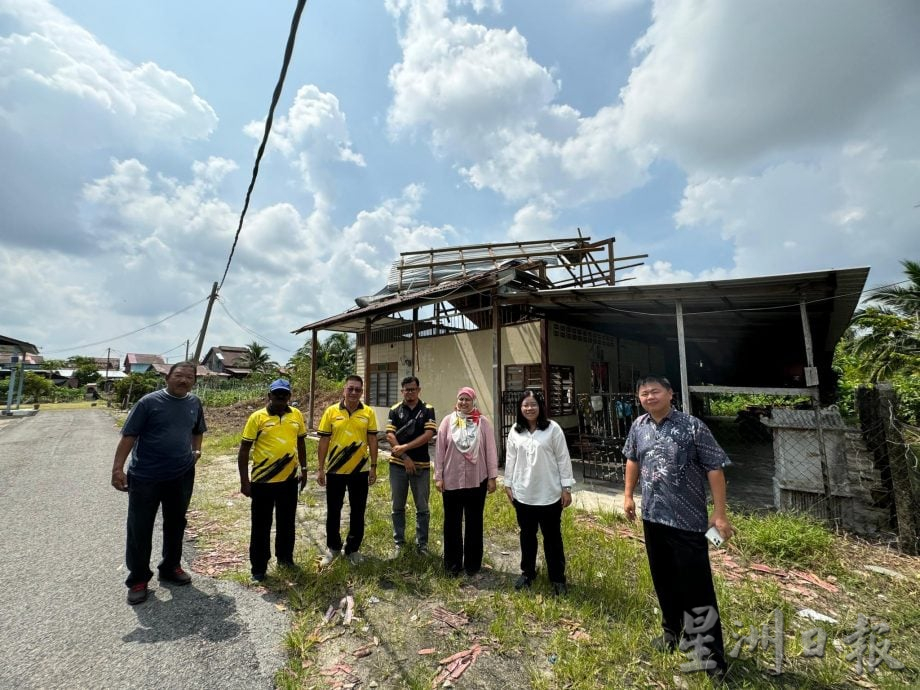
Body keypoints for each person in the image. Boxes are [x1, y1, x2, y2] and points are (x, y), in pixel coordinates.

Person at [622, 375, 733, 678]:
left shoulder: (692, 426)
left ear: (670, 394)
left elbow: (714, 468)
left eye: (655, 391)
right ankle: (672, 632)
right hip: (653, 518)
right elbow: (632, 459)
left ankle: (711, 656)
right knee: (663, 579)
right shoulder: (638, 427)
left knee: (697, 588)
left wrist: (720, 514)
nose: (649, 396)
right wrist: (629, 495)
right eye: (644, 393)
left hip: (688, 522)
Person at [111, 361, 206, 605]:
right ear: (167, 377)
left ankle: (171, 567)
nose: (183, 380)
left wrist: (196, 451)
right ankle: (139, 579)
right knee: (140, 526)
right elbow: (129, 436)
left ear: (194, 381)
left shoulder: (194, 403)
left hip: (181, 473)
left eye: (188, 377)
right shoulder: (148, 403)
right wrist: (118, 469)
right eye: (178, 376)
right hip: (146, 475)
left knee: (176, 522)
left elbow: (198, 430)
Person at [504, 390, 575, 596]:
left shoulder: (553, 429)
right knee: (527, 535)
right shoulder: (515, 431)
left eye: (533, 404)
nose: (529, 408)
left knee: (552, 537)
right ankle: (527, 573)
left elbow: (563, 458)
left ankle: (557, 579)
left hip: (549, 494)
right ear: (520, 408)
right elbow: (510, 459)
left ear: (540, 407)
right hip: (523, 494)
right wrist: (508, 484)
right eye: (525, 405)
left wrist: (566, 488)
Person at [237, 379, 308, 581]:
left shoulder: (296, 416)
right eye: (276, 394)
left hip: (289, 481)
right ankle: (258, 568)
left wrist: (304, 468)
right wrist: (244, 481)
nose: (280, 398)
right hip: (262, 482)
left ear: (289, 397)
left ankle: (285, 559)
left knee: (286, 523)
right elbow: (244, 450)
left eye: (284, 395)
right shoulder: (257, 418)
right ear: (269, 396)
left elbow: (301, 442)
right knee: (261, 525)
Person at [434, 386, 498, 577]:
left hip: (476, 480)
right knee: (452, 523)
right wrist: (438, 476)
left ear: (473, 401)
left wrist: (493, 478)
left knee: (474, 523)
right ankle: (453, 564)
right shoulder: (448, 421)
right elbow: (439, 451)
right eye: (461, 399)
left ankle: (472, 564)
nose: (463, 403)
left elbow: (491, 450)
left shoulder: (483, 423)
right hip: (452, 479)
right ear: (457, 401)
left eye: (467, 400)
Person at [316, 375, 379, 566]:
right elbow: (324, 441)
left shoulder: (368, 412)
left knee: (358, 511)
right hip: (335, 470)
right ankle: (333, 547)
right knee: (334, 510)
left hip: (360, 471)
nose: (353, 393)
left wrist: (374, 467)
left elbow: (373, 440)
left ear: (362, 392)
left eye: (357, 390)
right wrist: (320, 469)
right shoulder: (331, 412)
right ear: (344, 390)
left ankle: (353, 549)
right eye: (350, 389)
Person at [386, 376, 437, 557]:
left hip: (421, 466)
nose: (410, 392)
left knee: (422, 507)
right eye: (406, 389)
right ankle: (399, 543)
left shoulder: (428, 409)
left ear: (419, 390)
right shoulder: (394, 410)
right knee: (397, 506)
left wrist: (405, 447)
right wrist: (405, 457)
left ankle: (421, 545)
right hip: (398, 465)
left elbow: (429, 434)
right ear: (402, 391)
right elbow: (390, 436)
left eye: (413, 389)